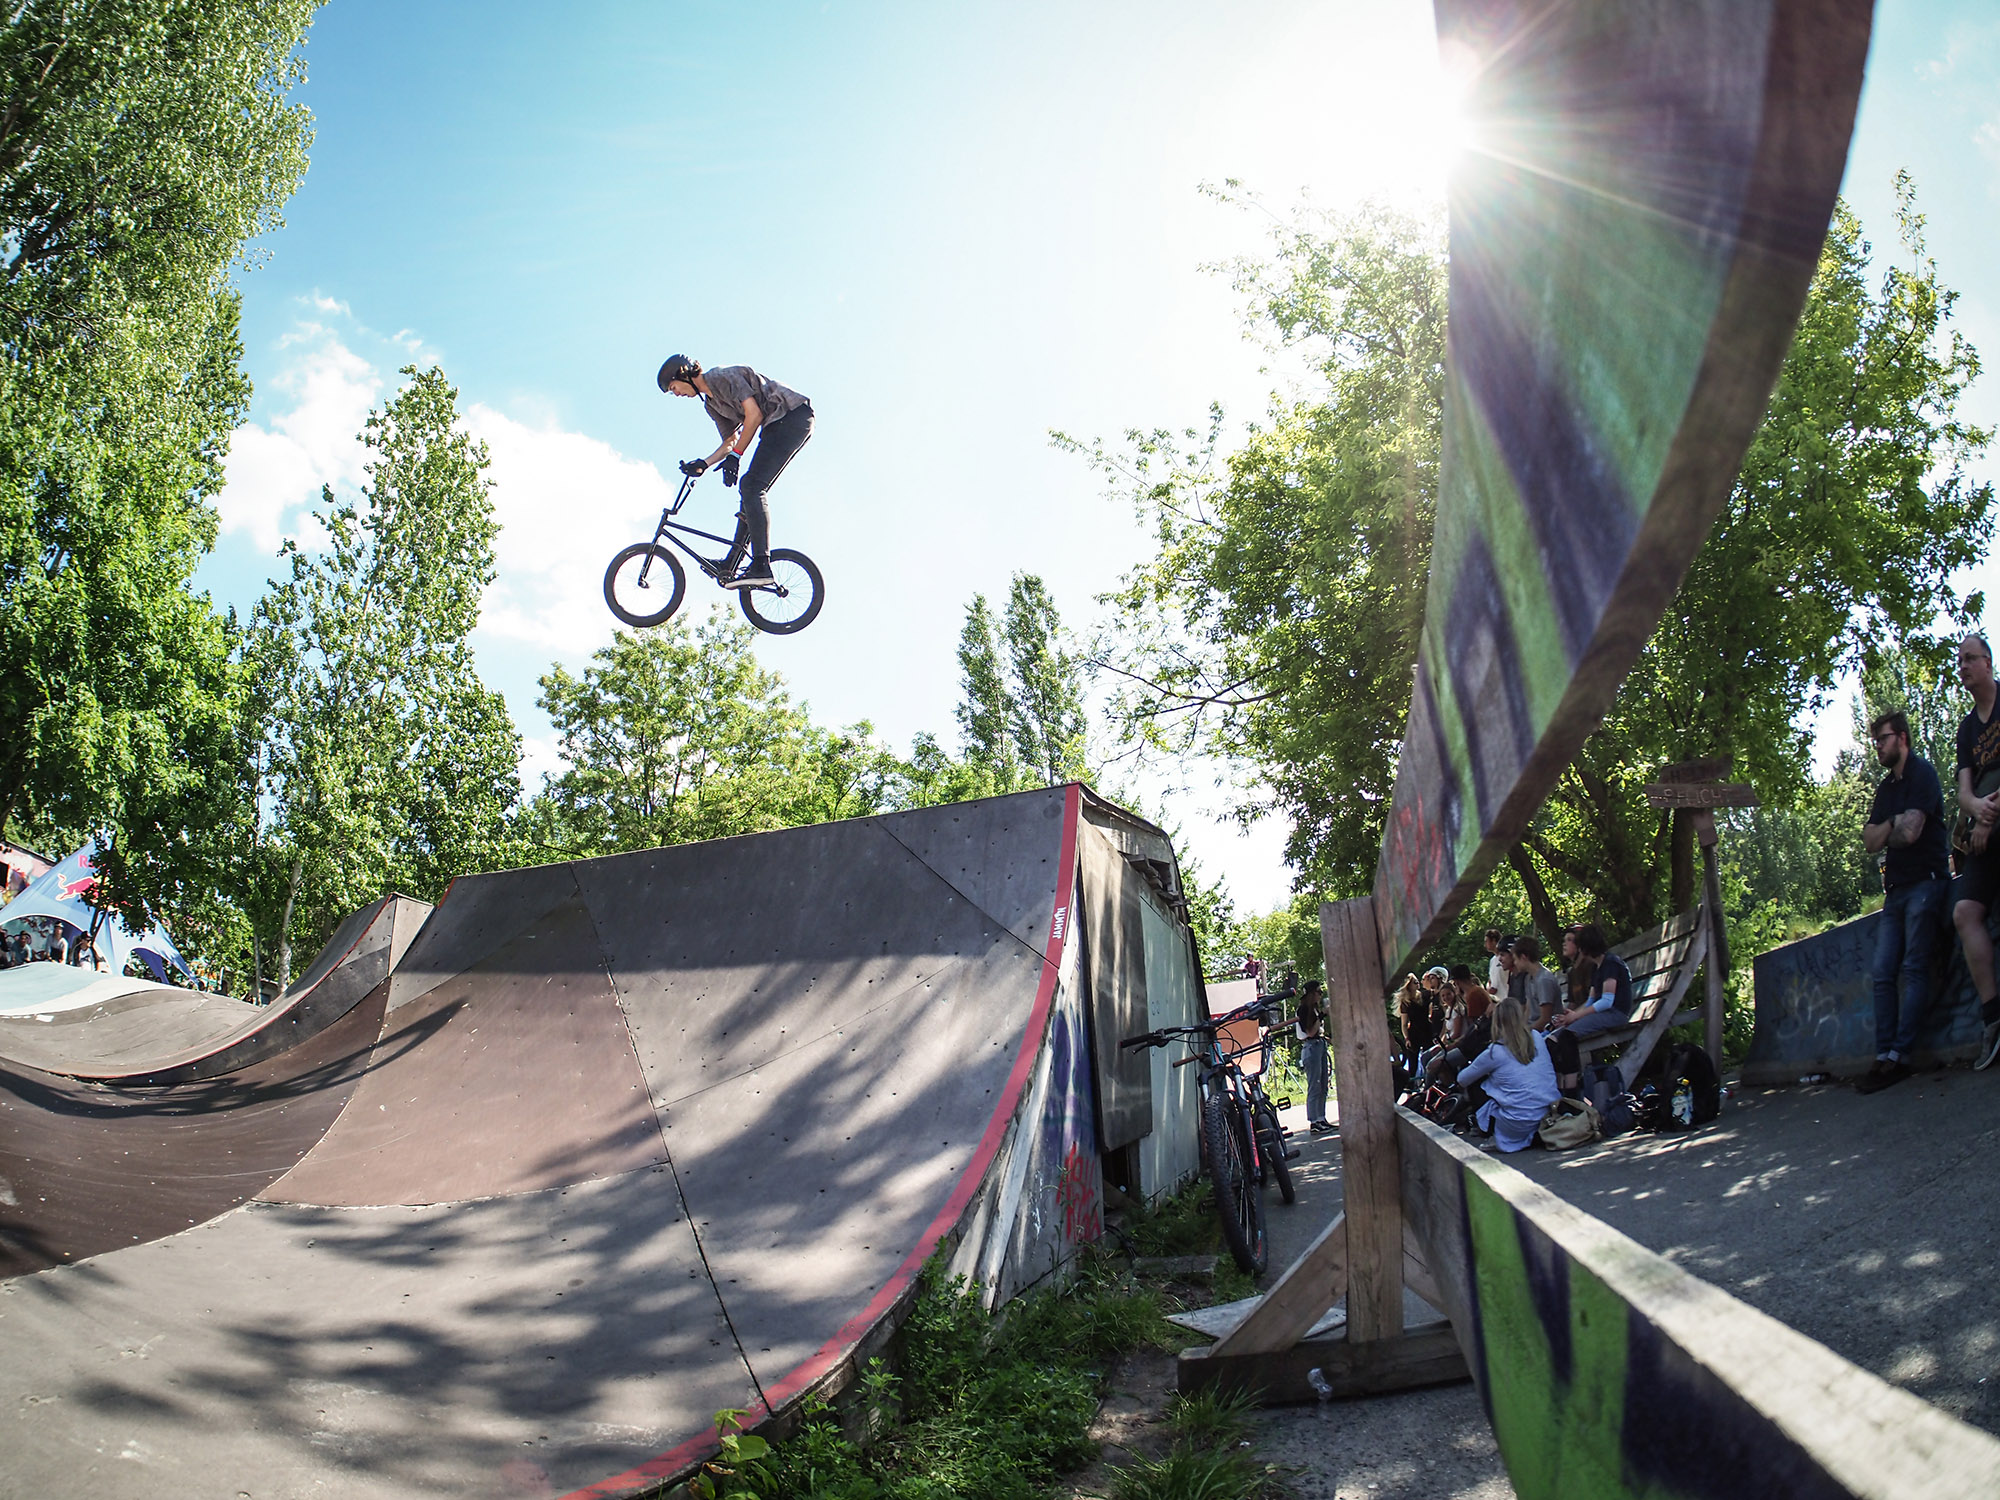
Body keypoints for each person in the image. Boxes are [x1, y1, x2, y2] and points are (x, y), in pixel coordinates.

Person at [1855, 710, 1952, 1093]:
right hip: (1895, 890)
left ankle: (1900, 1056)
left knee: (1913, 968)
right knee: (1882, 973)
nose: (1877, 746)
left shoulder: (1923, 775)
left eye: (1883, 738)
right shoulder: (1885, 790)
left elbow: (1910, 834)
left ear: (1902, 738)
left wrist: (1890, 826)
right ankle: (1882, 1056)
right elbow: (1868, 841)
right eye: (1876, 740)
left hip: (1926, 884)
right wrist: (1896, 821)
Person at [656, 355, 814, 589]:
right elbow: (730, 441)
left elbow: (754, 414)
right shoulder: (711, 405)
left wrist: (736, 456)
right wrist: (704, 463)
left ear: (684, 374)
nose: (676, 393)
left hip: (791, 416)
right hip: (777, 425)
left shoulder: (721, 377)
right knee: (749, 494)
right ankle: (731, 564)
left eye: (673, 387)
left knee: (752, 486)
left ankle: (762, 564)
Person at [1951, 632, 2000, 1070]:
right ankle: (1993, 1019)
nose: (1963, 666)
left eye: (1969, 658)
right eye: (1959, 660)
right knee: (1965, 912)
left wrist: (1990, 813)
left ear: (1988, 663)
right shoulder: (1967, 730)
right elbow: (1965, 793)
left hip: (1994, 822)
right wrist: (1979, 813)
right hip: (1986, 830)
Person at [1457, 999, 1561, 1153]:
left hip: (1518, 1123)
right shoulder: (1536, 1037)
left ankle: (1489, 1131)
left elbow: (1462, 1079)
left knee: (1476, 1081)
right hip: (1549, 1111)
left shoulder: (1494, 1052)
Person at [1547, 924, 1631, 1091]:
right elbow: (1591, 1000)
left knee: (1567, 1038)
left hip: (1615, 1013)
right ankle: (1559, 1089)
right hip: (1604, 1012)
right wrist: (1570, 1016)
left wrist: (1576, 1017)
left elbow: (1607, 1000)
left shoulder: (1610, 963)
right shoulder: (1597, 967)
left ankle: (1570, 1090)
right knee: (1552, 1040)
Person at [1295, 980, 1332, 1133]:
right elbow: (1310, 1032)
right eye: (1318, 991)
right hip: (1311, 1046)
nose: (1320, 994)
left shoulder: (1313, 1009)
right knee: (1314, 1085)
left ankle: (1321, 1117)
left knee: (1323, 1084)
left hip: (1320, 1044)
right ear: (1311, 993)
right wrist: (1323, 1014)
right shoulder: (1303, 1010)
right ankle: (1314, 1121)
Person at [1511, 934, 1563, 1030]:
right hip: (1532, 1029)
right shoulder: (1528, 978)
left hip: (1547, 1030)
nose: (1514, 963)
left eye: (1515, 959)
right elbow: (1528, 1010)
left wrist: (1525, 1033)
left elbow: (1545, 1019)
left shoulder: (1544, 980)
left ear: (1523, 957)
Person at [1483, 928, 1507, 1002]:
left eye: (1486, 941)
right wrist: (1489, 988)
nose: (1485, 945)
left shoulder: (1506, 958)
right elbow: (1490, 979)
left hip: (1507, 998)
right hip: (1496, 1001)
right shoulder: (1492, 960)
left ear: (1493, 941)